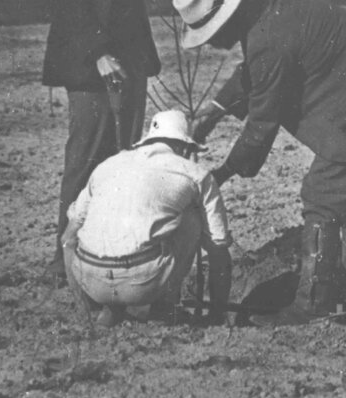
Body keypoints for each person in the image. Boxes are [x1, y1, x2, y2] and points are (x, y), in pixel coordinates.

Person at [174, 0, 346, 325]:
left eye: (213, 34)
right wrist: (215, 111)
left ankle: (313, 302)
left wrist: (221, 174)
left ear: (227, 18)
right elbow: (256, 70)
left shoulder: (268, 41)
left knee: (323, 194)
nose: (214, 43)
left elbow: (262, 123)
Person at [40, 0, 178, 284]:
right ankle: (64, 257)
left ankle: (112, 248)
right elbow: (66, 1)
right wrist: (98, 51)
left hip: (131, 60)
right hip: (88, 65)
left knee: (125, 159)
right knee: (86, 158)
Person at [61, 110, 232, 327]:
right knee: (191, 218)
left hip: (91, 282)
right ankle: (165, 308)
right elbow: (218, 248)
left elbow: (68, 238)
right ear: (184, 146)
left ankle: (103, 311)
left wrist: (83, 302)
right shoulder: (195, 174)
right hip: (143, 283)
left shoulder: (108, 165)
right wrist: (218, 313)